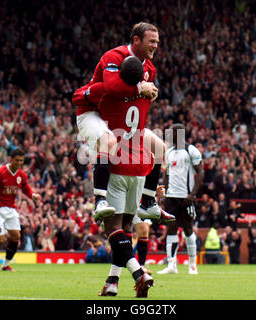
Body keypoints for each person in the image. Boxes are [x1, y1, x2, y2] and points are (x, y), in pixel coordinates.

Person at [72, 22, 173, 225]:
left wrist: (149, 93)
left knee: (160, 148)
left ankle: (147, 201)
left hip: (118, 118)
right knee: (108, 142)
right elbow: (111, 87)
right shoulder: (114, 56)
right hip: (92, 112)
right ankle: (100, 200)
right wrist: (139, 90)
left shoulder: (149, 69)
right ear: (136, 40)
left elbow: (137, 96)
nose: (155, 46)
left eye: (158, 42)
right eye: (151, 41)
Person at [93, 53, 157, 298]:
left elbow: (89, 97)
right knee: (126, 229)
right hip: (140, 167)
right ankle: (112, 282)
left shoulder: (110, 96)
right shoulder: (146, 96)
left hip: (117, 166)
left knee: (112, 228)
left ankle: (139, 273)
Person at [0, 148, 42, 271]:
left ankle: (5, 264)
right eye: (16, 160)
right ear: (10, 159)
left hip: (11, 208)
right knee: (0, 240)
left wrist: (32, 195)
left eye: (21, 161)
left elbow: (25, 187)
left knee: (16, 236)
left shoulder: (21, 175)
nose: (18, 163)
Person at [157, 123, 204, 275]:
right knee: (171, 228)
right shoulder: (169, 152)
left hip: (186, 197)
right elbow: (166, 175)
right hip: (171, 197)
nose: (170, 135)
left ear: (180, 133)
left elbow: (201, 173)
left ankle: (192, 265)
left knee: (188, 228)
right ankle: (171, 264)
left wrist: (193, 194)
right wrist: (163, 195)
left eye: (172, 133)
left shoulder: (191, 150)